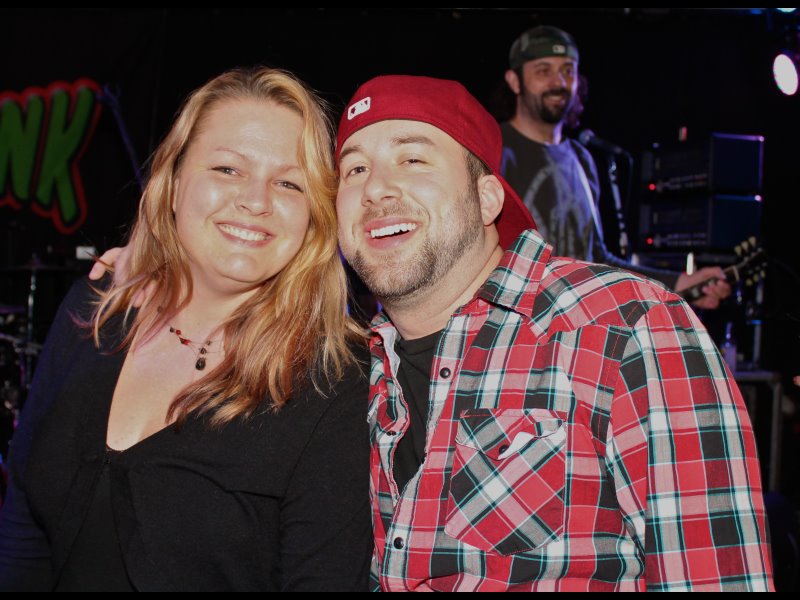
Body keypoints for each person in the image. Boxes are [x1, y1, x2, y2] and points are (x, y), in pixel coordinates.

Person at [335, 74, 773, 591]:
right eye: (355, 169)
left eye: (412, 158)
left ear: (487, 199)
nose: (375, 188)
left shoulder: (625, 325)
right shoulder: (348, 369)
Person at [0, 67, 372, 591]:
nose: (257, 200)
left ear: (314, 215)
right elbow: (22, 520)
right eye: (228, 168)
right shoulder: (94, 310)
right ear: (173, 186)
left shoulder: (334, 385)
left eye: (290, 182)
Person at [502, 25, 731, 310]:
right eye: (543, 71)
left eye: (568, 70)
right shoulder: (494, 147)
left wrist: (681, 282)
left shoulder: (582, 159)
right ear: (514, 81)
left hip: (576, 326)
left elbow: (598, 260)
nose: (558, 81)